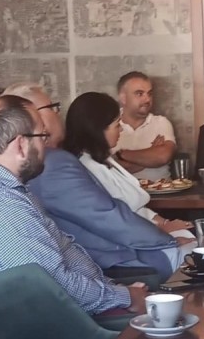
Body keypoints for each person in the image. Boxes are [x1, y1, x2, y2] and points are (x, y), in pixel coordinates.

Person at [0, 94, 142, 314]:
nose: (46, 145)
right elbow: (53, 288)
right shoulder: (2, 208)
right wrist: (126, 298)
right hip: (73, 322)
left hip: (89, 304)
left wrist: (116, 291)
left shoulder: (6, 190)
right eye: (42, 136)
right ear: (21, 145)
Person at [24, 88, 186, 276]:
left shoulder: (88, 159)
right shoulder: (58, 164)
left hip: (131, 240)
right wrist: (165, 237)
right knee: (193, 253)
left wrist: (163, 224)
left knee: (194, 243)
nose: (57, 113)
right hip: (118, 255)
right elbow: (108, 216)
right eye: (52, 108)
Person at [113, 71, 176, 182]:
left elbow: (162, 157)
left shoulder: (161, 122)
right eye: (139, 94)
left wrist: (121, 154)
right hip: (122, 192)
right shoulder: (109, 125)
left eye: (149, 93)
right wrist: (151, 154)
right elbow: (111, 170)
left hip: (162, 190)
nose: (147, 99)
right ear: (123, 98)